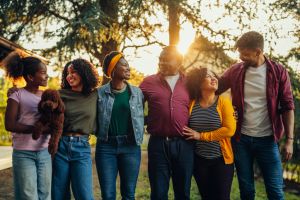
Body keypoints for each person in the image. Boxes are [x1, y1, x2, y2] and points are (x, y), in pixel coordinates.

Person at [218, 31, 295, 200]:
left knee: (275, 191)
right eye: (240, 54)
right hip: (241, 140)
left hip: (267, 140)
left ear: (258, 51)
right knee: (246, 191)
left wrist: (289, 140)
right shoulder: (235, 71)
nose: (241, 58)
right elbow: (214, 87)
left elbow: (288, 106)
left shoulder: (278, 72)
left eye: (245, 54)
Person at [140, 46, 194, 200]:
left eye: (166, 60)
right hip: (158, 144)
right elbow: (133, 107)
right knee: (158, 192)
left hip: (184, 144)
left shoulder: (190, 82)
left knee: (183, 192)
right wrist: (146, 120)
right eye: (160, 59)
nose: (161, 63)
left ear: (179, 62)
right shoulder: (148, 82)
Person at [95, 51, 144, 200]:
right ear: (113, 69)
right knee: (108, 195)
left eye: (128, 65)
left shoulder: (137, 92)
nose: (128, 68)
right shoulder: (99, 93)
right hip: (106, 147)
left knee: (129, 194)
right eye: (124, 65)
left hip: (131, 146)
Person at [182, 67, 236, 200]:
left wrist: (201, 136)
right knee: (206, 196)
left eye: (214, 76)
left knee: (222, 197)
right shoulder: (191, 104)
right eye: (208, 76)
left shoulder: (224, 102)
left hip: (222, 161)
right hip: (199, 161)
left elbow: (229, 130)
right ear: (198, 82)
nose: (214, 78)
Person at [3, 51, 51, 200]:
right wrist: (35, 129)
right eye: (43, 73)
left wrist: (47, 128)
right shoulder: (16, 95)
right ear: (30, 77)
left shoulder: (47, 95)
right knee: (28, 195)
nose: (47, 76)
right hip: (23, 153)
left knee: (45, 194)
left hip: (44, 152)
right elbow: (9, 124)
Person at [51, 58, 99, 200]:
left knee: (84, 195)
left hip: (82, 147)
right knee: (58, 194)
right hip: (60, 146)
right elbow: (42, 102)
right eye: (67, 73)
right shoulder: (60, 94)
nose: (69, 76)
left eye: (74, 72)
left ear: (84, 73)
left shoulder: (95, 95)